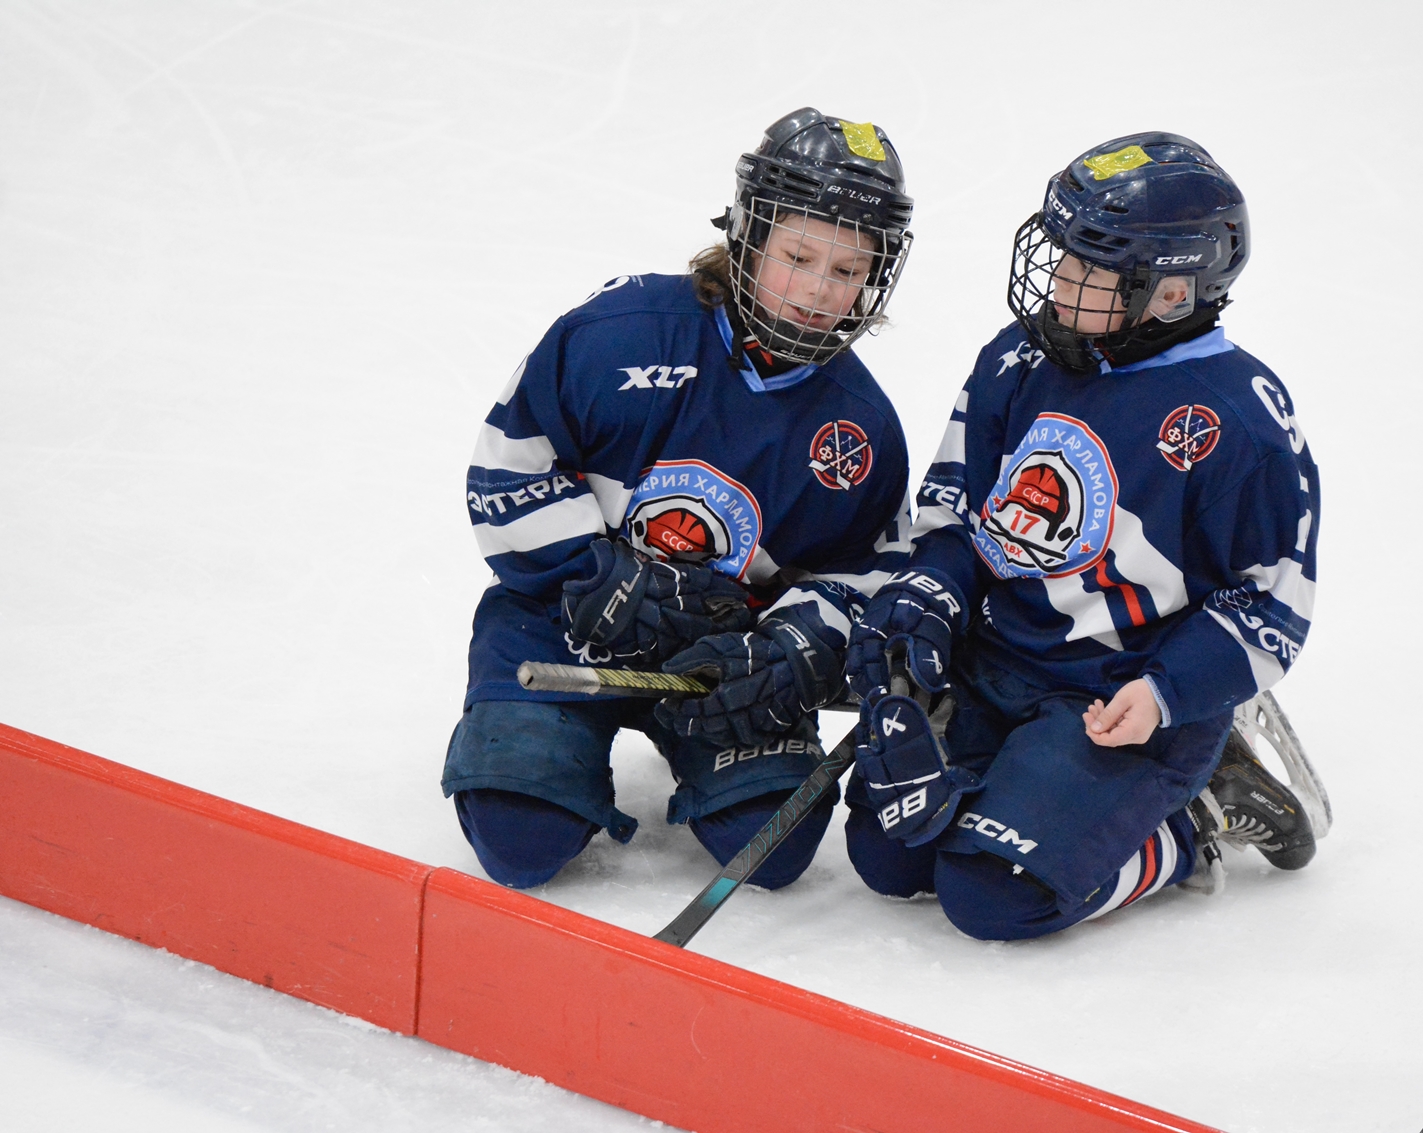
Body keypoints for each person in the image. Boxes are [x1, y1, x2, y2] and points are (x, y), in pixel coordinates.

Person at [843, 133, 1321, 940]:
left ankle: (1197, 813)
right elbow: (957, 505)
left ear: (1170, 293)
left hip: (1120, 695)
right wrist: (931, 590)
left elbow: (1271, 606)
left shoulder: (1240, 420)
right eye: (1060, 257)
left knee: (992, 895)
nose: (1057, 286)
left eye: (1087, 273)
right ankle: (1046, 785)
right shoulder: (1018, 358)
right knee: (888, 856)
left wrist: (1167, 692)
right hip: (998, 661)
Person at [441, 108, 915, 891]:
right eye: (798, 255)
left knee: (775, 847)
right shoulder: (620, 334)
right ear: (750, 234)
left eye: (846, 271)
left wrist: (785, 650)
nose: (816, 292)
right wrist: (582, 571)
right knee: (519, 840)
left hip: (717, 662)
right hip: (560, 622)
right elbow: (509, 467)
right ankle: (539, 753)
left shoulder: (860, 432)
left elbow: (855, 577)